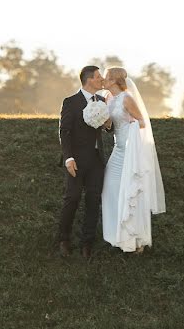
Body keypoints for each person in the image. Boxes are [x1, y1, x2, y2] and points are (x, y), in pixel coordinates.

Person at [101, 67, 165, 253]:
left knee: (132, 192)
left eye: (106, 77)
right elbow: (110, 124)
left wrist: (132, 126)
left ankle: (136, 240)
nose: (104, 80)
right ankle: (117, 236)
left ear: (114, 80)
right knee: (110, 189)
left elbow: (142, 122)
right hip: (117, 150)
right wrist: (105, 123)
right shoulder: (108, 98)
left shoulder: (127, 98)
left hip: (130, 151)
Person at [57, 65, 112, 260]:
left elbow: (107, 129)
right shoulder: (71, 102)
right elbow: (65, 131)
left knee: (93, 200)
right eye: (98, 77)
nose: (101, 80)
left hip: (97, 160)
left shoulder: (103, 100)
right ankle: (63, 239)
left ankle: (87, 243)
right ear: (89, 79)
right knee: (72, 198)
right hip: (77, 161)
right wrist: (68, 158)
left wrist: (108, 124)